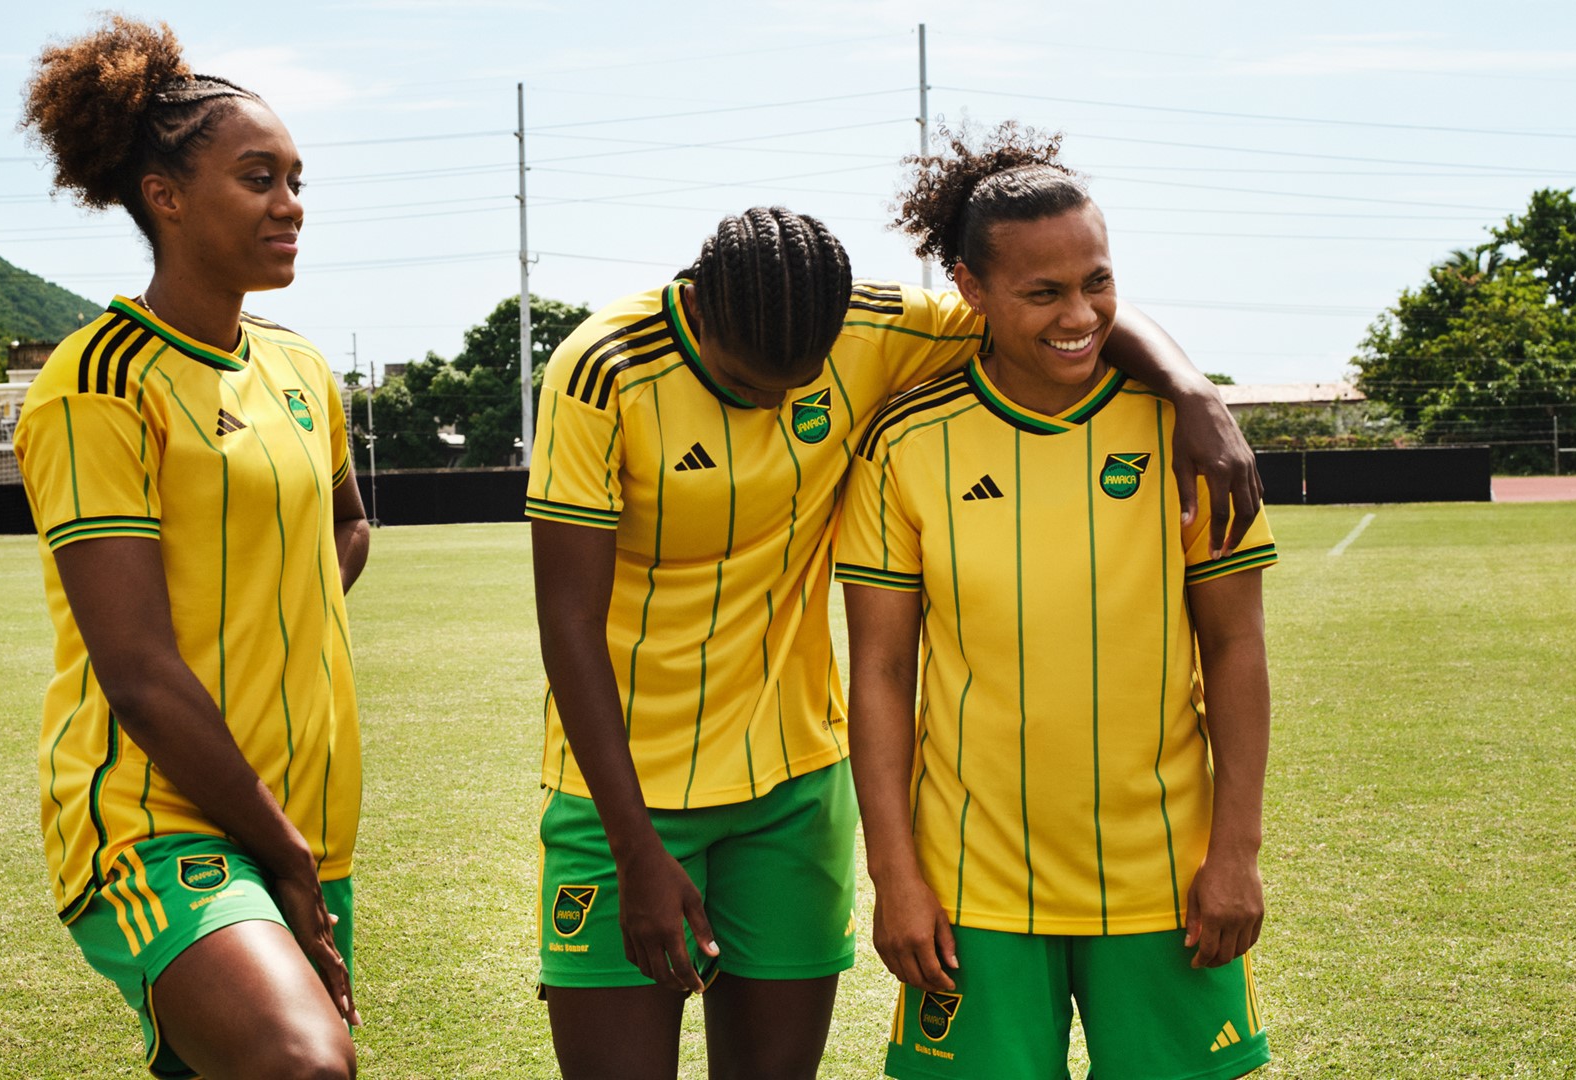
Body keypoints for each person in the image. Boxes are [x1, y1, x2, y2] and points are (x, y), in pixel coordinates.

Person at [526, 205, 1263, 1079]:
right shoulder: (602, 370)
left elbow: (1060, 308)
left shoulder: (867, 326)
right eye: (754, 380)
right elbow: (568, 621)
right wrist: (635, 850)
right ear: (702, 313)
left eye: (802, 381)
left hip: (794, 788)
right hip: (624, 797)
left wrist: (1192, 389)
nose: (779, 400)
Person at [837, 122, 1277, 1080]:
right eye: (1043, 293)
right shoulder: (905, 444)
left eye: (1098, 282)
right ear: (970, 291)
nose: (1080, 314)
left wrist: (1235, 852)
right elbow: (877, 674)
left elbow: (1237, 648)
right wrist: (895, 876)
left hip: (1167, 877)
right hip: (972, 888)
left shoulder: (1189, 437)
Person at [13, 18, 366, 1080]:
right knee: (305, 1064)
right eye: (259, 178)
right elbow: (137, 675)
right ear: (164, 196)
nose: (291, 205)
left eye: (298, 180)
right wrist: (282, 849)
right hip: (156, 817)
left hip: (302, 804)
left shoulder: (301, 369)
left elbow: (348, 521)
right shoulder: (96, 384)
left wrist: (276, 615)